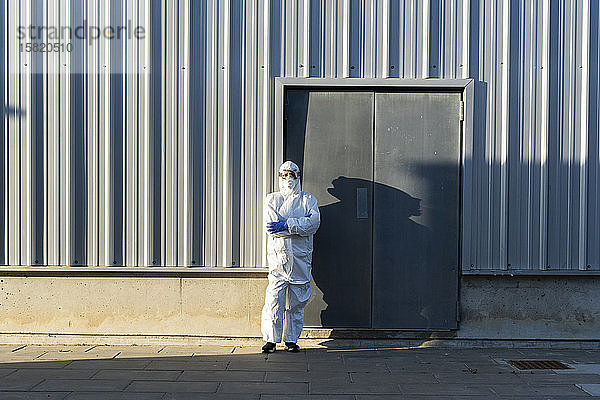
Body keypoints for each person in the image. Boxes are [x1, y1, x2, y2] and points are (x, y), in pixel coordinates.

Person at [261, 160, 320, 353]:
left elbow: (314, 224)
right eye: (284, 175)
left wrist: (286, 225)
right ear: (279, 177)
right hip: (278, 260)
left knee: (297, 302)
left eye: (292, 175)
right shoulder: (272, 199)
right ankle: (271, 340)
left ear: (298, 176)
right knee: (274, 300)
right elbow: (271, 227)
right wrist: (298, 227)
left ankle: (291, 340)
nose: (288, 179)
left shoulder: (308, 199)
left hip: (300, 261)